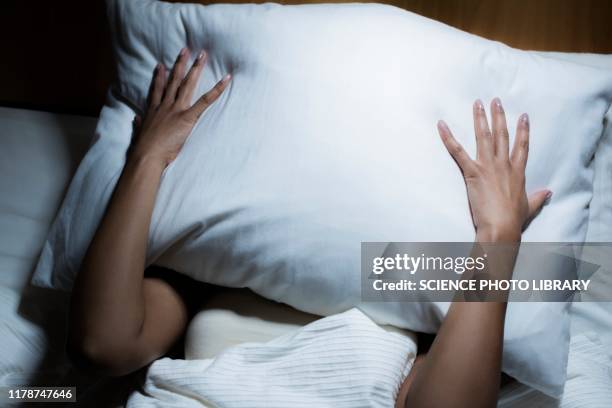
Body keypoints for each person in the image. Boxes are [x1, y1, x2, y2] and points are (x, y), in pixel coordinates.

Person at [67, 48, 551, 408]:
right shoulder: (210, 268)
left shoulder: (418, 319)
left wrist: (497, 238)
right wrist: (149, 158)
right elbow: (101, 345)